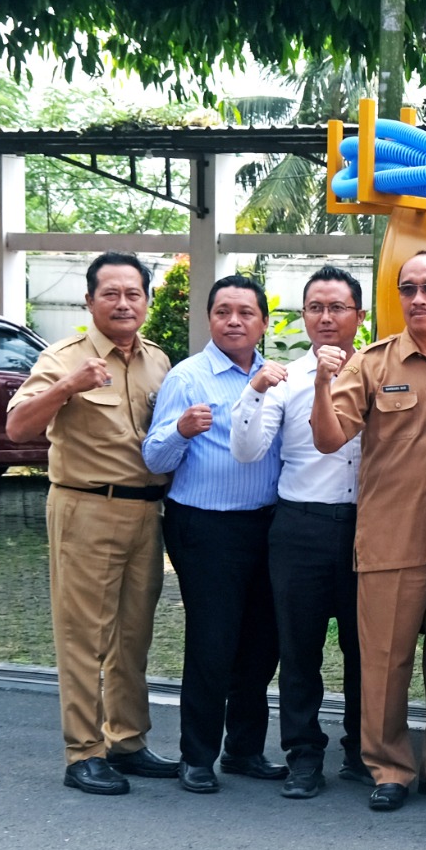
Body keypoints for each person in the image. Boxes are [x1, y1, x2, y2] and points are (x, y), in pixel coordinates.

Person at [307, 249, 426, 813]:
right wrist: (322, 384)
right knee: (384, 662)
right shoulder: (371, 364)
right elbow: (329, 439)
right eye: (408, 289)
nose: (418, 299)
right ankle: (389, 769)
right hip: (390, 537)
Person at [5, 252, 177, 795]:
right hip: (86, 507)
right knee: (85, 637)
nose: (123, 303)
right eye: (111, 294)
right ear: (89, 301)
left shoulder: (159, 362)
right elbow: (16, 428)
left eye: (133, 293)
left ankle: (126, 740)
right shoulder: (63, 358)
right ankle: (83, 752)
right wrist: (67, 387)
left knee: (133, 635)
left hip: (147, 512)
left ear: (147, 300)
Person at [141, 274, 287, 793]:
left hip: (266, 525)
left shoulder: (277, 377)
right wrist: (180, 430)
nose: (234, 321)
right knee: (213, 641)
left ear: (263, 322)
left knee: (261, 643)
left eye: (246, 312)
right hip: (205, 528)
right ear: (209, 319)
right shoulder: (188, 377)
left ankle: (244, 750)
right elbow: (154, 457)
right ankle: (197, 756)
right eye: (223, 311)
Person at [232, 264, 370, 799]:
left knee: (367, 648)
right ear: (304, 316)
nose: (326, 317)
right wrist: (253, 391)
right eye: (316, 307)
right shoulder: (283, 378)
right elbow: (248, 452)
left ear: (359, 314)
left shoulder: (378, 369)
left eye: (337, 307)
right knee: (299, 649)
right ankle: (304, 754)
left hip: (366, 528)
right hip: (301, 527)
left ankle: (363, 749)